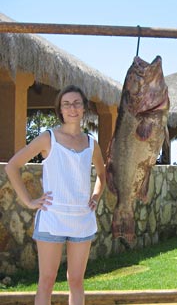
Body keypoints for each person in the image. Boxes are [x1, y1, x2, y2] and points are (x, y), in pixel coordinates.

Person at [5, 85, 106, 305]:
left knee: (76, 281)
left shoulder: (92, 143)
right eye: (67, 104)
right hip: (52, 220)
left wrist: (96, 197)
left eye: (77, 103)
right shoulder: (47, 138)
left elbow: (102, 174)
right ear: (60, 109)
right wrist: (29, 201)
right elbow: (12, 166)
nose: (72, 108)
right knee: (47, 281)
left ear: (84, 108)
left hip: (82, 220)